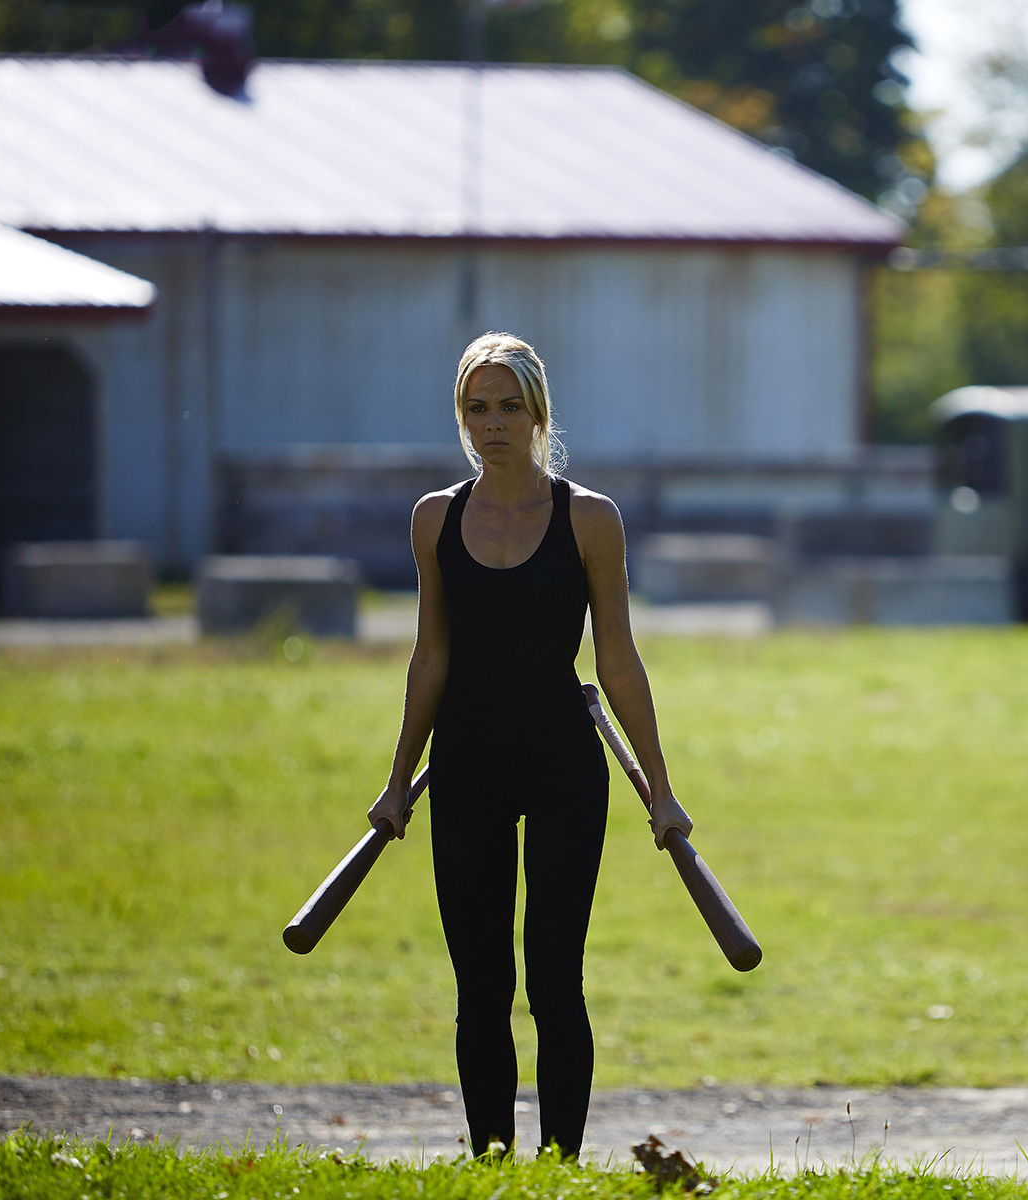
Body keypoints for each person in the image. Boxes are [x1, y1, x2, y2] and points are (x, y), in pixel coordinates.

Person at [367, 331, 692, 1160]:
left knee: (553, 981)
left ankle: (559, 1167)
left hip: (563, 769)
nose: (494, 424)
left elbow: (616, 659)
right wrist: (397, 779)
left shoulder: (589, 519)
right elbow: (429, 655)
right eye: (478, 408)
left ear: (538, 413)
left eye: (510, 407)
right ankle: (491, 1166)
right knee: (481, 990)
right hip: (465, 765)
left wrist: (661, 789)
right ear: (462, 418)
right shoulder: (434, 519)